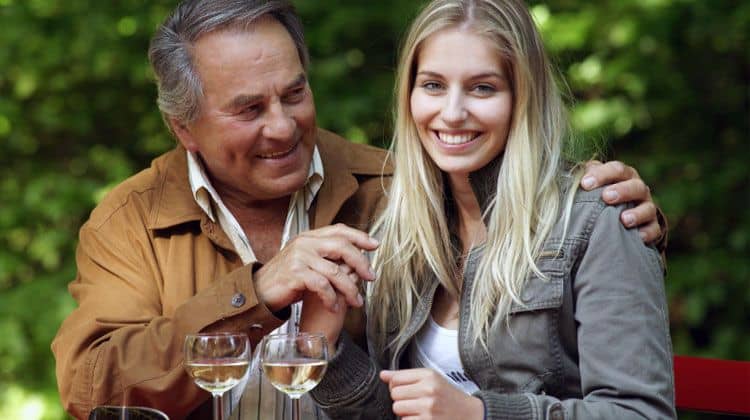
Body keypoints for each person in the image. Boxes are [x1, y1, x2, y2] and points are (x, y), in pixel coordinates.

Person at [51, 0, 666, 419]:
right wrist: (260, 293)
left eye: (295, 93)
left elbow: (564, 246)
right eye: (248, 109)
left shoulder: (397, 191)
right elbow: (90, 386)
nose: (283, 126)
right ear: (182, 127)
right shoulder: (132, 220)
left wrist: (631, 227)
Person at [302, 0, 675, 419]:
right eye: (433, 85)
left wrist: (481, 415)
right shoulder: (397, 231)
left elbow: (642, 414)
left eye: (483, 88)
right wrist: (328, 351)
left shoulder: (597, 219)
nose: (453, 113)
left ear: (523, 97)